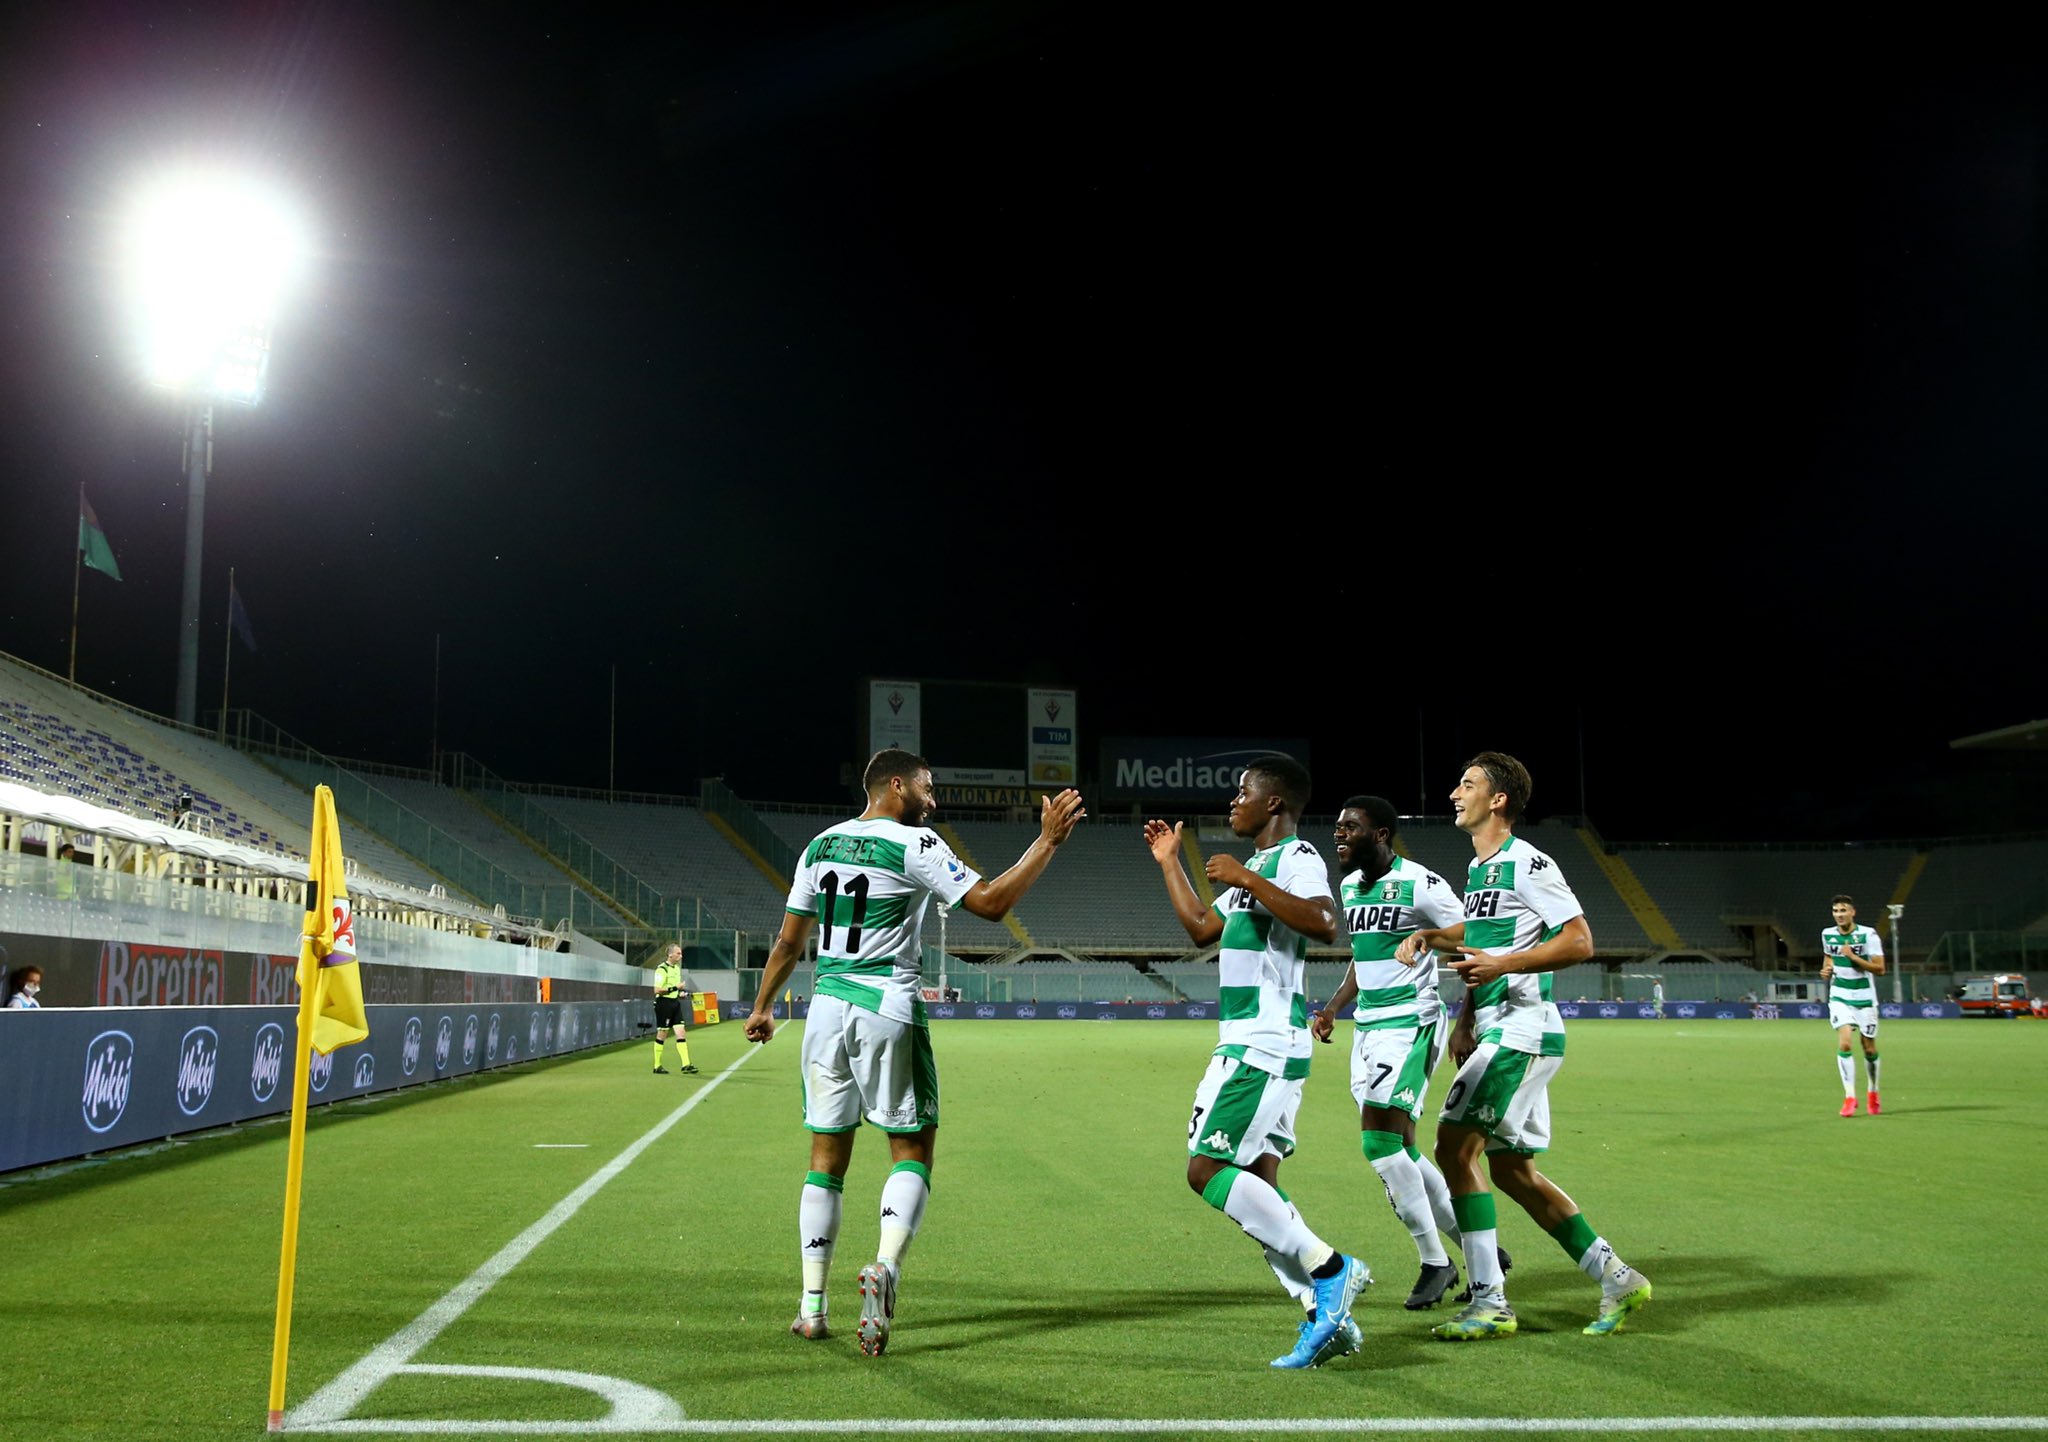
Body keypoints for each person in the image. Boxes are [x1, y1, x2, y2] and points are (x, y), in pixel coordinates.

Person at [746, 748, 1085, 1355]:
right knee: (911, 1147)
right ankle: (885, 1267)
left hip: (825, 1008)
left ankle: (811, 1308)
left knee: (825, 1157)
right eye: (927, 788)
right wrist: (1046, 843)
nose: (934, 799)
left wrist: (764, 1006)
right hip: (886, 1005)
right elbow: (990, 904)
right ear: (895, 786)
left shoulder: (817, 846)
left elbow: (789, 939)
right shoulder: (915, 844)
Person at [1396, 752, 1651, 1341]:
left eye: (1468, 784)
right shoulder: (1480, 869)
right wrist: (1456, 992)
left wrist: (1505, 965)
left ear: (1499, 799)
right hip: (1498, 1026)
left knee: (1454, 1149)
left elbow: (1580, 940)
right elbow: (1481, 947)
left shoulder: (1528, 863)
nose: (1455, 793)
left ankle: (1490, 1301)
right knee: (1511, 1171)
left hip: (1524, 1027)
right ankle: (1618, 1278)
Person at [1143, 755, 1369, 1371]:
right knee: (1259, 1187)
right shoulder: (1262, 869)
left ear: (1274, 803)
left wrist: (1246, 879)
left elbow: (1325, 923)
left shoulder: (1293, 858)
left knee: (1205, 1169)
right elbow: (1199, 929)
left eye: (1243, 792)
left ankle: (1331, 1269)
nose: (1232, 802)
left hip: (1262, 1042)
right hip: (1257, 1041)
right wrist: (1172, 865)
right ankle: (1326, 1316)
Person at [1310, 795, 1500, 1312]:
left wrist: (1467, 1019)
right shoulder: (1350, 887)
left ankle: (1434, 1261)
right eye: (1338, 826)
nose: (1339, 834)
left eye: (1352, 827)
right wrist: (1332, 1008)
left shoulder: (1422, 883)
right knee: (1403, 1149)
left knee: (1378, 1143)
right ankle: (1480, 1251)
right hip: (1369, 1027)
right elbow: (1363, 956)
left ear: (1383, 835)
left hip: (1412, 1024)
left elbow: (1472, 940)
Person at [1821, 894, 1885, 1116]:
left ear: (1852, 912)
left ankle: (1873, 1092)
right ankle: (1849, 1097)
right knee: (1845, 1044)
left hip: (1865, 998)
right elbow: (1828, 957)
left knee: (1868, 1047)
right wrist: (1826, 969)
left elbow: (1880, 969)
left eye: (1843, 910)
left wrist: (1853, 958)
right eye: (1836, 911)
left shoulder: (1868, 935)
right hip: (1839, 995)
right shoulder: (1827, 934)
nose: (1839, 915)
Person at [650, 944, 697, 1075]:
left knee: (681, 1032)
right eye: (678, 953)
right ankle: (657, 1065)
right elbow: (657, 990)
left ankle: (686, 1064)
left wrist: (679, 994)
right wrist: (675, 988)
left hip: (674, 1003)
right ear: (670, 954)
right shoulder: (661, 969)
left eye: (680, 954)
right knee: (662, 1034)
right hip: (663, 1004)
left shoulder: (676, 969)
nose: (680, 956)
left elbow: (674, 990)